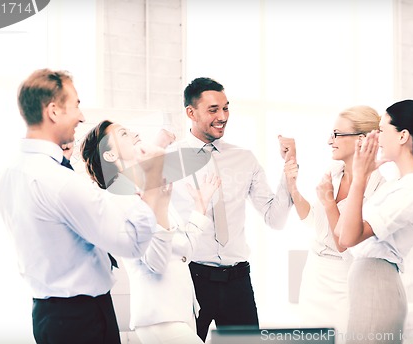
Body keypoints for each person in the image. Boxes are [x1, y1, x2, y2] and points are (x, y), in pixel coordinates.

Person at [0, 69, 169, 344]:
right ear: (53, 111)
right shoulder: (59, 181)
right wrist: (153, 180)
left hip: (46, 316)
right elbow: (133, 243)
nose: (82, 116)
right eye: (75, 104)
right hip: (83, 320)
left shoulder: (9, 173)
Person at [167, 77, 295, 341]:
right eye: (213, 109)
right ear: (190, 113)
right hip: (192, 278)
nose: (222, 116)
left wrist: (288, 172)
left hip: (238, 280)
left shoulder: (244, 158)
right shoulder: (170, 158)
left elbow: (276, 218)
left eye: (226, 108)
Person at [80, 120, 221, 344]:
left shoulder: (150, 189)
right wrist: (160, 208)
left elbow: (184, 251)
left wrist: (200, 208)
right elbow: (156, 262)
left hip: (181, 313)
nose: (135, 132)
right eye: (124, 134)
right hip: (160, 319)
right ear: (109, 156)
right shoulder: (119, 198)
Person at [332, 100, 413, 343]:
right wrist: (359, 177)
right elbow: (343, 231)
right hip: (368, 285)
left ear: (403, 135)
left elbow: (349, 236)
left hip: (378, 286)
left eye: (382, 130)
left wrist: (360, 178)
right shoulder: (397, 185)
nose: (376, 137)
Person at [283, 106, 385, 340]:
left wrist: (329, 202)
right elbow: (314, 222)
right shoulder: (333, 172)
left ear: (361, 139)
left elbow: (345, 243)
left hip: (345, 280)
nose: (330, 140)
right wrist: (293, 187)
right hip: (315, 275)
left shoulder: (379, 188)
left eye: (337, 134)